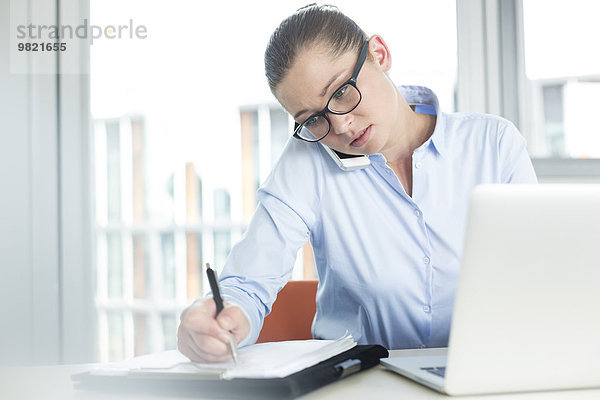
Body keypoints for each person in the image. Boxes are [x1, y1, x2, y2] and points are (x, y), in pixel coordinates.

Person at [177, 4, 537, 363]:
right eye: (314, 118)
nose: (342, 127)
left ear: (379, 54)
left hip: (485, 373)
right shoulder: (308, 160)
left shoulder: (493, 143)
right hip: (360, 383)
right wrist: (217, 319)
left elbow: (539, 274)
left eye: (342, 93)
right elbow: (247, 284)